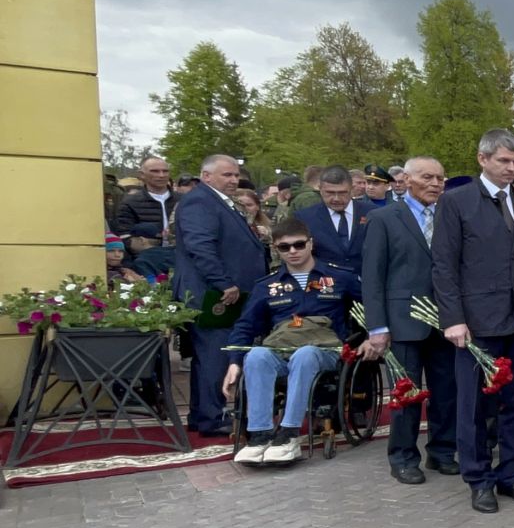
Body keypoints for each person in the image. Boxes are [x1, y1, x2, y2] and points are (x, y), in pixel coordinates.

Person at [430, 130, 514, 515]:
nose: (511, 168)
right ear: (483, 159)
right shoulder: (456, 202)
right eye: (504, 161)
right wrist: (452, 319)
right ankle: (479, 478)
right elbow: (444, 265)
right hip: (476, 326)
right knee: (472, 407)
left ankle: (511, 474)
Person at [221, 218, 359, 465]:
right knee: (256, 355)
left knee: (305, 354)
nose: (293, 251)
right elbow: (245, 325)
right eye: (285, 247)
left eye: (298, 245)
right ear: (276, 248)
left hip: (324, 352)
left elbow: (370, 309)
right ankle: (260, 435)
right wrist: (234, 363)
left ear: (310, 243)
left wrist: (372, 337)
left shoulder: (340, 277)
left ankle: (289, 434)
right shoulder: (267, 286)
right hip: (281, 350)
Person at [361, 156, 459, 485]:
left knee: (447, 390)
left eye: (440, 178)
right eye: (428, 177)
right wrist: (377, 327)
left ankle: (443, 452)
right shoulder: (384, 218)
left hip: (446, 320)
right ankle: (402, 457)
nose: (436, 184)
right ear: (406, 180)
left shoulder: (450, 215)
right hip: (402, 323)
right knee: (407, 394)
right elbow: (372, 277)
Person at [172, 154, 269, 437]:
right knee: (215, 355)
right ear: (206, 176)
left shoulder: (217, 201)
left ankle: (204, 413)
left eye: (236, 175)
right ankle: (211, 417)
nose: (233, 180)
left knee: (214, 354)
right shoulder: (200, 201)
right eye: (226, 175)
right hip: (212, 294)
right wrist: (223, 282)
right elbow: (200, 246)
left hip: (223, 292)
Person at [296, 166, 374, 276]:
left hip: (366, 284)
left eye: (342, 193)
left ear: (351, 189)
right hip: (324, 286)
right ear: (320, 189)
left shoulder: (373, 213)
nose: (336, 198)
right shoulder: (305, 217)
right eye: (330, 193)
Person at [113, 155, 176, 275]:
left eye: (165, 171)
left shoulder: (184, 200)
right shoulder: (129, 202)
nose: (161, 175)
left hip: (180, 259)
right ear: (141, 175)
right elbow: (123, 237)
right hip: (146, 264)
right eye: (155, 171)